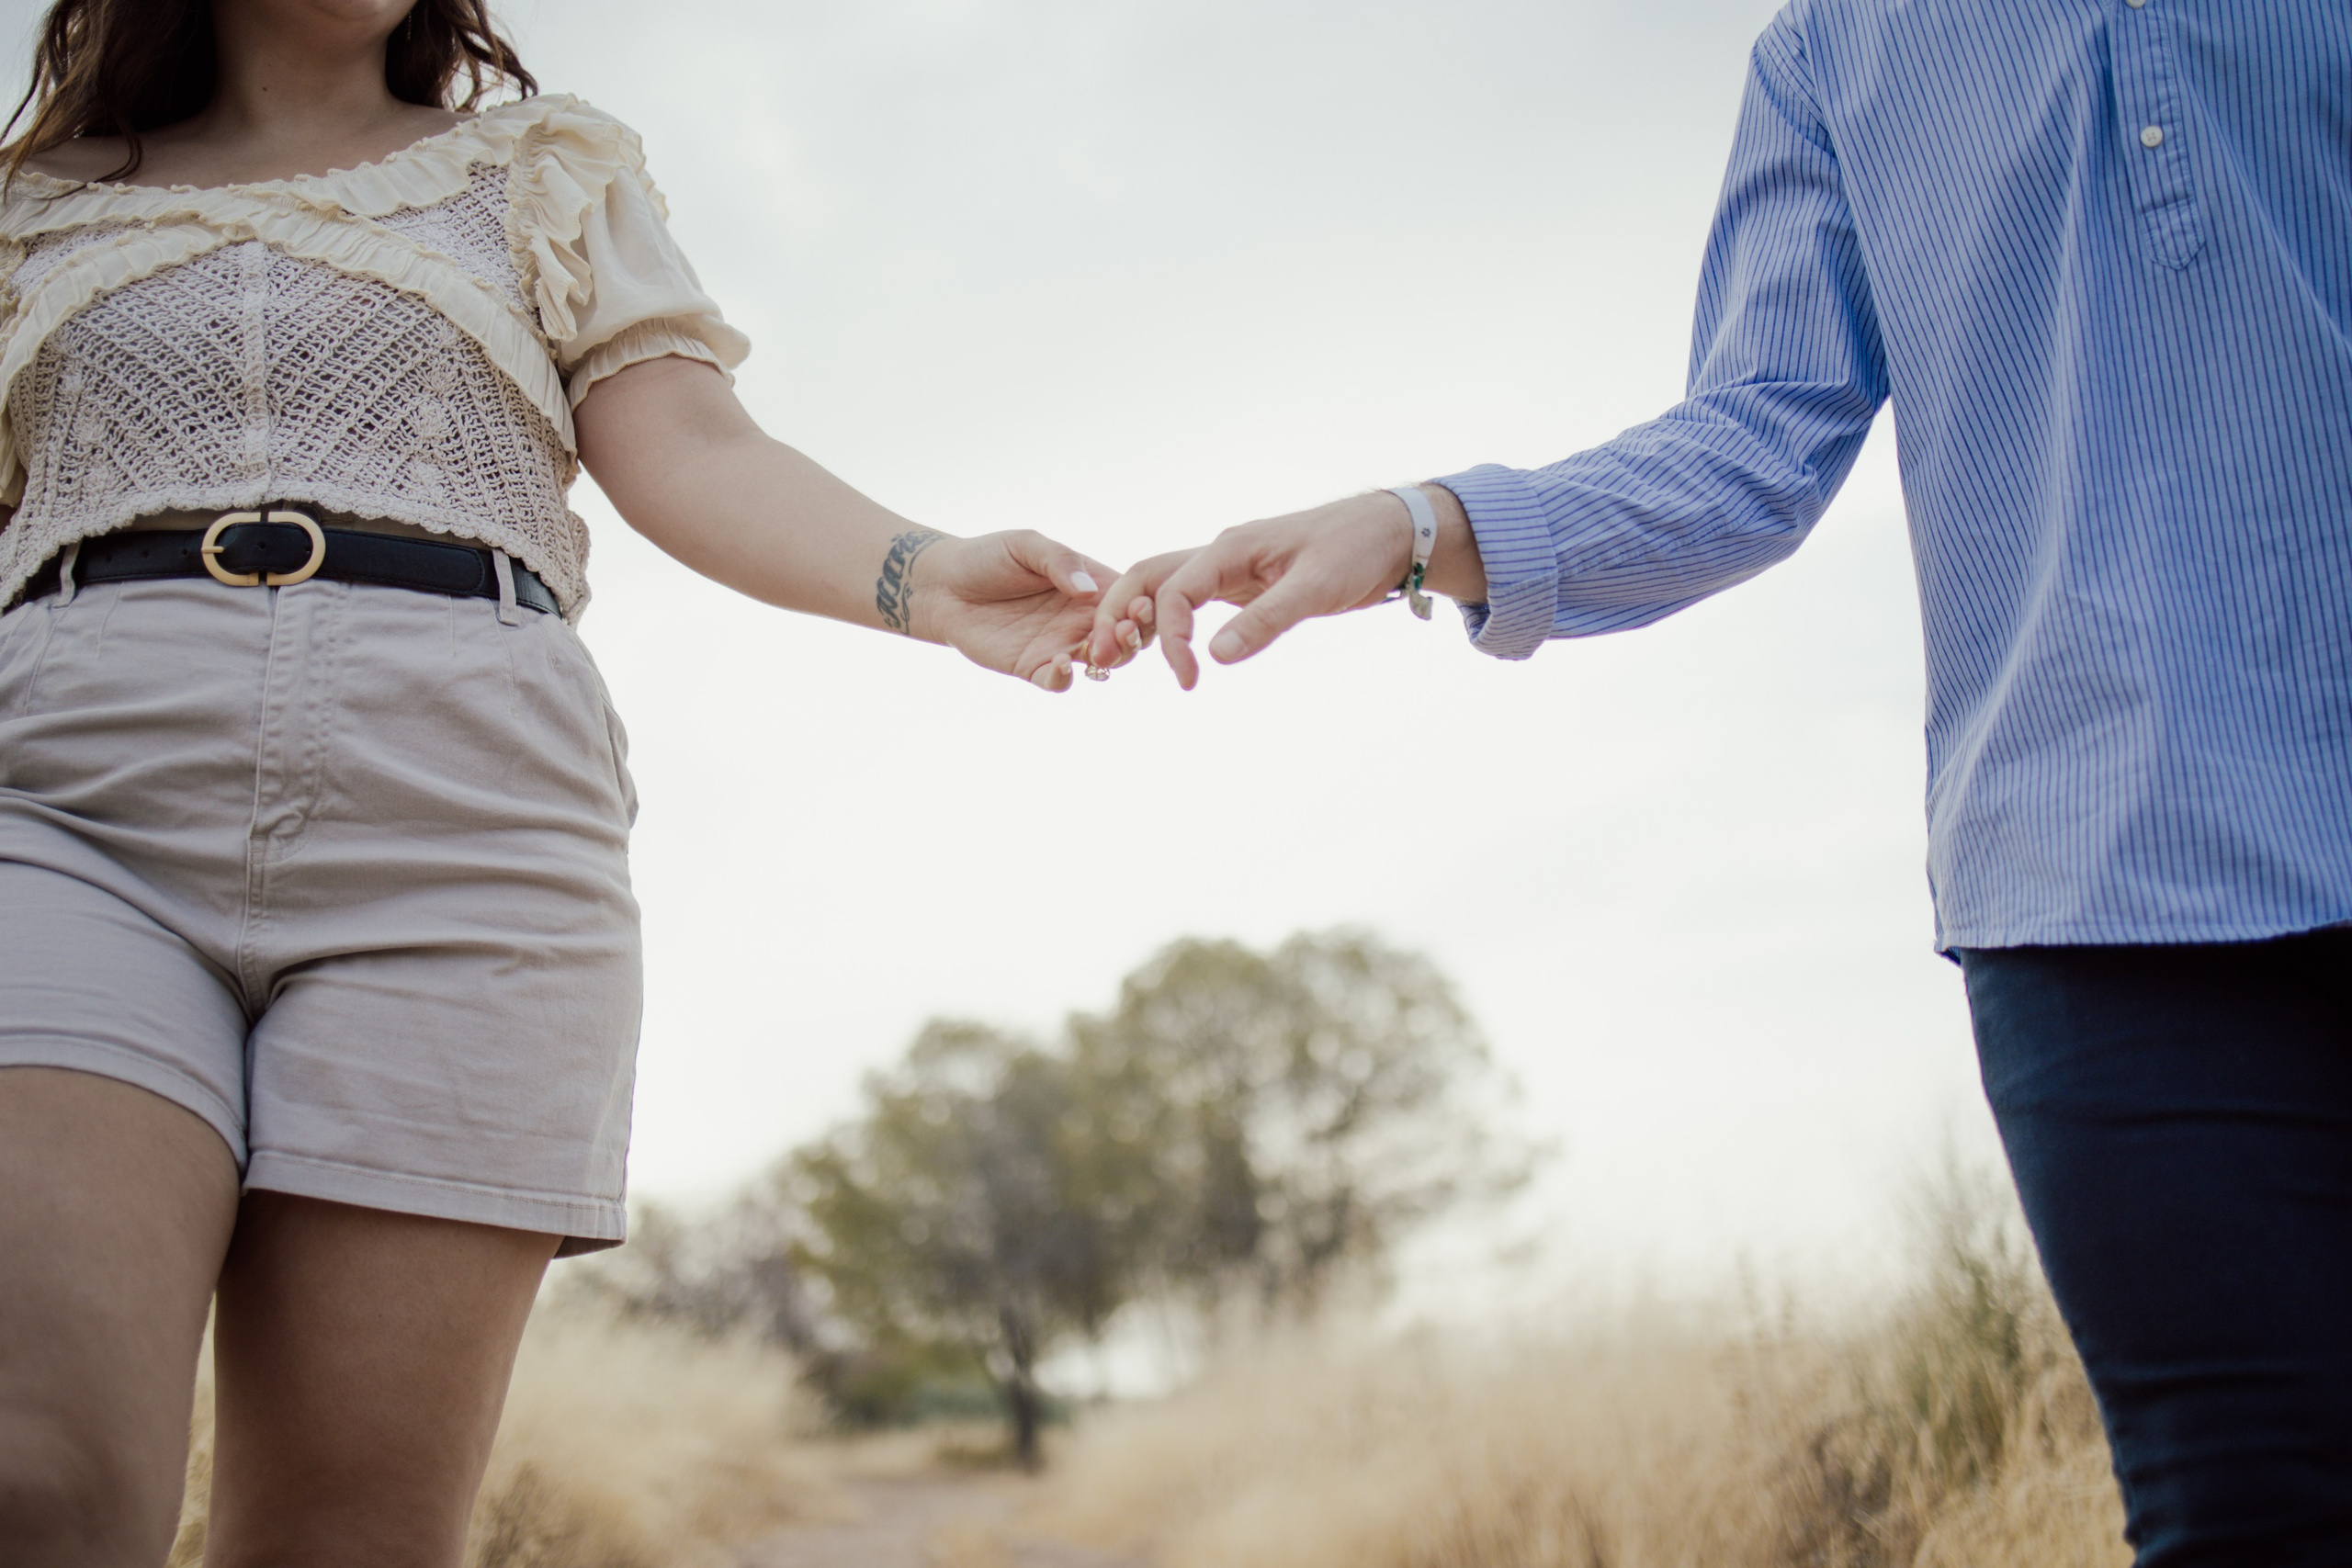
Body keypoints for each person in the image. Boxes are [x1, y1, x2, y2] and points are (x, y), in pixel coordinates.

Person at [1088, 4, 2352, 1565]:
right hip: (2100, 872)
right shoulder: (1836, 50)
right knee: (2250, 1514)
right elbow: (1754, 440)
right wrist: (1422, 525)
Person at [0, 1, 1114, 1562]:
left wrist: (921, 578)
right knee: (31, 1484)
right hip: (64, 798)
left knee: (350, 1538)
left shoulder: (543, 170)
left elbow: (694, 446)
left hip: (470, 820)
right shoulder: (28, 204)